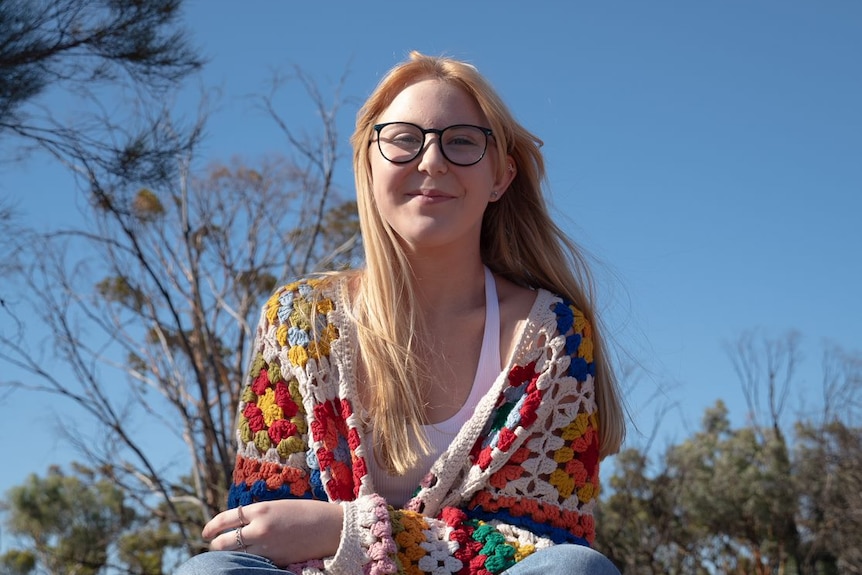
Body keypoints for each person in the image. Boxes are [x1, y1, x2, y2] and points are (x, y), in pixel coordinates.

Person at [176, 51, 625, 575]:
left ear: (500, 177)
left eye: (461, 141)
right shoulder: (297, 321)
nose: (431, 162)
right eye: (405, 139)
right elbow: (259, 535)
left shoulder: (551, 334)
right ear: (368, 163)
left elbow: (543, 545)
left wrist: (343, 531)